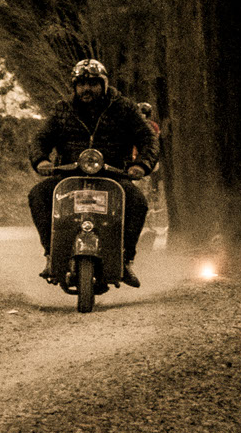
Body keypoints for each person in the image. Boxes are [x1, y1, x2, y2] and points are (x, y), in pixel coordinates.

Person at [27, 59, 156, 286]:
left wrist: (141, 165)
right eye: (81, 84)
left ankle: (125, 259)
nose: (86, 89)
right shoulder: (62, 109)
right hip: (68, 175)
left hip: (113, 175)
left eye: (93, 83)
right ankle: (51, 253)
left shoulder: (124, 107)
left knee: (137, 202)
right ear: (74, 87)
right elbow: (40, 138)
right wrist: (41, 160)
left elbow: (148, 138)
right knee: (38, 194)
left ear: (104, 84)